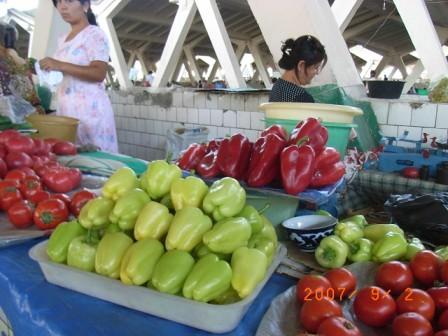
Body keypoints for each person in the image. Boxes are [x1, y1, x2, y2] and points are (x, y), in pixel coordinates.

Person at [39, 0, 118, 153]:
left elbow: (99, 73)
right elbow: (63, 73)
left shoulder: (95, 34)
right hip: (68, 113)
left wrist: (60, 65)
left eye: (69, 1)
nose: (62, 7)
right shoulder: (63, 39)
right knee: (73, 161)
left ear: (85, 5)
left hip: (91, 114)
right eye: (59, 2)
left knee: (97, 163)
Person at [269, 35, 327, 103]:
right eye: (316, 67)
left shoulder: (277, 87)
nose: (317, 72)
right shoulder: (302, 98)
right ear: (301, 66)